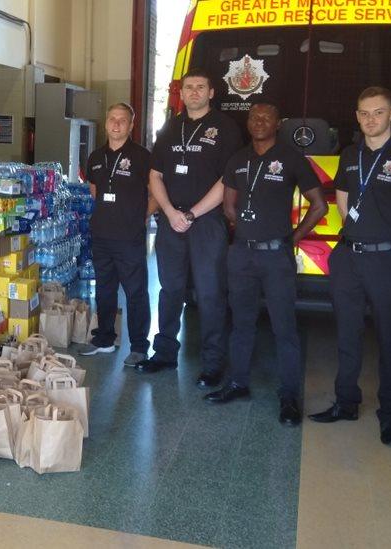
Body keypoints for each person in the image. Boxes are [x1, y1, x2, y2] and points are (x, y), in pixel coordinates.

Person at [308, 87, 391, 446]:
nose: (370, 119)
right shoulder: (350, 153)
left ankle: (390, 411)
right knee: (347, 332)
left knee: (390, 335)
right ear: (357, 115)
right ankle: (346, 402)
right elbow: (343, 196)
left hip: (386, 257)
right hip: (348, 256)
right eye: (363, 113)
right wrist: (355, 232)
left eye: (377, 113)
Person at [205, 103, 326, 426]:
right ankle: (238, 382)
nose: (259, 122)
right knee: (241, 323)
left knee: (284, 327)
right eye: (254, 117)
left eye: (266, 117)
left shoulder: (291, 158)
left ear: (278, 123)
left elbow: (319, 205)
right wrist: (246, 232)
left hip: (276, 256)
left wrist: (293, 238)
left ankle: (289, 396)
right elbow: (229, 205)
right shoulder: (238, 159)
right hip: (242, 254)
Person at [137, 67, 243, 388]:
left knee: (211, 294)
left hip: (207, 223)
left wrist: (193, 214)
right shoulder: (170, 128)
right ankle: (165, 353)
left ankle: (212, 364)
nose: (194, 92)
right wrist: (169, 212)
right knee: (170, 290)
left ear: (212, 92)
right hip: (171, 222)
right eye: (188, 87)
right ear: (180, 94)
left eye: (200, 87)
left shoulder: (226, 128)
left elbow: (228, 180)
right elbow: (155, 175)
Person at [78, 102, 155, 366]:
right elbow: (93, 189)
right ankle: (104, 340)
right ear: (106, 121)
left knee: (136, 292)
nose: (117, 124)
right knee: (105, 289)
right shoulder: (96, 157)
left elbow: (155, 193)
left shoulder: (143, 157)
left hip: (130, 238)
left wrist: (140, 216)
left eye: (123, 120)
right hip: (101, 235)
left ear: (131, 125)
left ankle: (139, 347)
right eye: (112, 119)